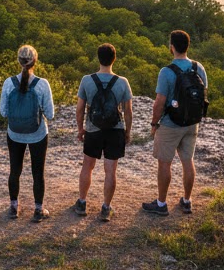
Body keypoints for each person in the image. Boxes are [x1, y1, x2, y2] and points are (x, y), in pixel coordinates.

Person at [143, 29, 208, 217]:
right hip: (191, 123)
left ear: (172, 48)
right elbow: (203, 95)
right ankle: (187, 201)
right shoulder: (199, 68)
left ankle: (161, 204)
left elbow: (159, 102)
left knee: (165, 163)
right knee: (188, 161)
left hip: (171, 124)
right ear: (188, 46)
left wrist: (154, 124)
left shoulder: (166, 72)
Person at [75, 43, 133, 222]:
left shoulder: (87, 80)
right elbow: (128, 111)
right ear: (114, 59)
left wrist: (80, 129)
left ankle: (82, 202)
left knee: (88, 166)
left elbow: (80, 109)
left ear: (98, 58)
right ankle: (106, 208)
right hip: (115, 130)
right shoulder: (122, 82)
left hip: (93, 129)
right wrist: (127, 132)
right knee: (110, 171)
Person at [0, 44, 55, 222]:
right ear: (35, 61)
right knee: (38, 172)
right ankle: (38, 210)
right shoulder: (42, 84)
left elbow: (3, 112)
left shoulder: (9, 83)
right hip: (38, 134)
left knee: (15, 170)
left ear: (18, 61)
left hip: (14, 134)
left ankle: (14, 207)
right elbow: (50, 114)